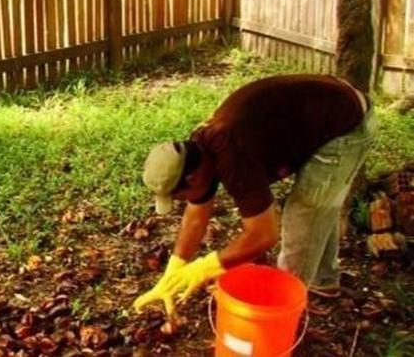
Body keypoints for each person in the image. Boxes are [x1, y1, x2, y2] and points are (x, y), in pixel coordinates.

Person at [134, 74, 376, 317]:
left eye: (179, 197)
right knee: (320, 203)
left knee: (305, 209)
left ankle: (282, 309)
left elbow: (264, 234)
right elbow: (196, 216)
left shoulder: (233, 154)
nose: (184, 202)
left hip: (347, 124)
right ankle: (324, 280)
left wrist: (202, 269)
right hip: (324, 110)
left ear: (192, 179)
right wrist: (174, 271)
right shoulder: (198, 152)